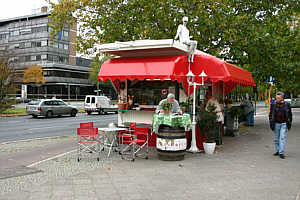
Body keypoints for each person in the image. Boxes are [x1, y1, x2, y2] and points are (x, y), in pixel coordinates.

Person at [269, 92, 292, 159]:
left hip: (284, 124)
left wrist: (289, 123)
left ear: (282, 98)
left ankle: (281, 152)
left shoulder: (287, 105)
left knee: (282, 138)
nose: (277, 99)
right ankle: (278, 150)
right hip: (276, 123)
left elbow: (290, 115)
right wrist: (271, 122)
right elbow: (271, 114)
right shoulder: (273, 104)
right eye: (276, 98)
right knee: (276, 139)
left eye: (278, 98)